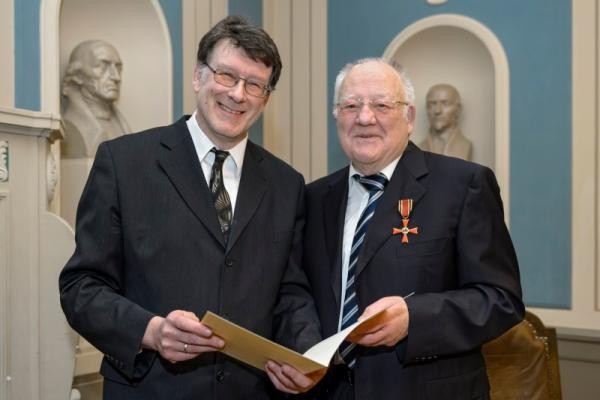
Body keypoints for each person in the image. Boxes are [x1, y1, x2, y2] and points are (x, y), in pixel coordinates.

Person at [59, 16, 322, 399]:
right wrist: (150, 330)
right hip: (151, 388)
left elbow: (290, 292)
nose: (238, 94)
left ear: (265, 98)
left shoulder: (287, 184)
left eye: (254, 84)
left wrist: (306, 354)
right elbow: (81, 287)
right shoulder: (124, 163)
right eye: (227, 75)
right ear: (199, 76)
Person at [303, 58, 524, 399]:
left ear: (409, 117)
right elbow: (303, 294)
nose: (364, 117)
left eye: (381, 105)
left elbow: (500, 299)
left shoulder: (464, 185)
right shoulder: (316, 197)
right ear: (336, 116)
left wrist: (414, 319)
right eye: (351, 106)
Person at [61, 39, 131, 158]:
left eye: (118, 68)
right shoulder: (72, 126)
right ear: (78, 75)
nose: (116, 77)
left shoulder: (123, 127)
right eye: (103, 66)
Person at [419, 83, 473, 161]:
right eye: (432, 104)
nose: (437, 111)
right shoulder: (419, 149)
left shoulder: (465, 145)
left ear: (458, 109)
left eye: (445, 103)